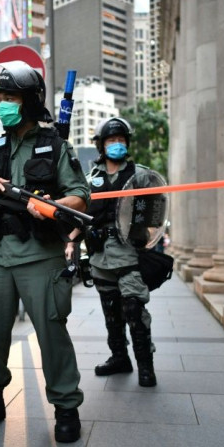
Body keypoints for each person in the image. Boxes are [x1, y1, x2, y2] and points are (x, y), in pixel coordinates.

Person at [0, 60, 88, 443]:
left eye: (11, 97)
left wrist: (50, 206)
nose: (4, 104)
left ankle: (66, 405)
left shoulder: (55, 145)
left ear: (30, 101)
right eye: (0, 97)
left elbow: (81, 196)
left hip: (41, 258)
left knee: (51, 332)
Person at [65, 117, 158, 388]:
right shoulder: (90, 178)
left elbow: (155, 210)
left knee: (134, 308)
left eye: (120, 140)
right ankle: (119, 358)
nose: (116, 144)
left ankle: (145, 365)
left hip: (129, 253)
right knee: (110, 310)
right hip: (99, 254)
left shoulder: (140, 175)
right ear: (101, 145)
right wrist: (70, 241)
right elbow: (80, 214)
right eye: (110, 140)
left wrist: (148, 235)